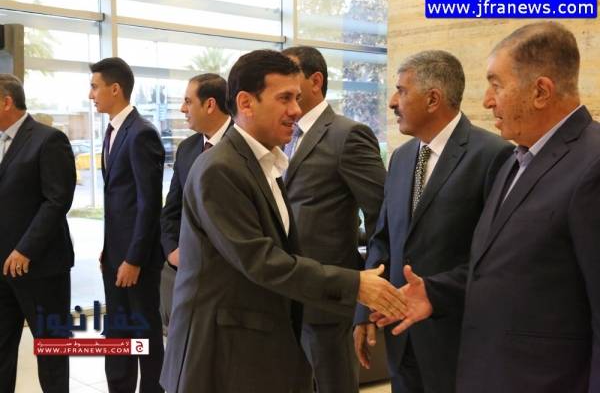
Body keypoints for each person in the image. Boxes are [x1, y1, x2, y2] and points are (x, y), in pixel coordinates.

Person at [160, 49, 403, 393]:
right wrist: (355, 284)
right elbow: (260, 260)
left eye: (297, 98)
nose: (296, 110)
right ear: (246, 103)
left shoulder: (263, 162)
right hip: (222, 355)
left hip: (260, 343)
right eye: (285, 98)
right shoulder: (220, 168)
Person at [375, 22, 600, 393]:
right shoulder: (516, 161)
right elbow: (499, 270)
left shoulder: (592, 164)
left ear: (540, 91)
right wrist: (434, 292)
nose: (487, 101)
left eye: (496, 85)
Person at [353, 50, 512, 393]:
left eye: (401, 91)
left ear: (433, 99)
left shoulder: (493, 155)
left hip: (456, 342)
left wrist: (435, 294)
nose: (392, 102)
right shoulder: (400, 157)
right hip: (400, 339)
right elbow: (384, 239)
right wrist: (365, 309)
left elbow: (495, 258)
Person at [281, 45, 386, 393]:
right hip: (285, 293)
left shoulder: (348, 135)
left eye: (289, 75)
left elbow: (381, 217)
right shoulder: (280, 136)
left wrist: (367, 298)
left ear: (315, 81)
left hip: (329, 300)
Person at [89, 57, 165, 393]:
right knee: (117, 331)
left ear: (115, 89)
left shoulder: (141, 133)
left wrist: (133, 258)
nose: (91, 95)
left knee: (143, 333)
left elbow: (149, 204)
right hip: (115, 256)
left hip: (137, 261)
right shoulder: (113, 132)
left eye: (95, 87)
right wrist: (110, 251)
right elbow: (119, 202)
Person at [0, 74, 76, 392]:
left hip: (41, 268)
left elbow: (57, 200)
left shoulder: (48, 140)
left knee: (51, 352)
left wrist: (25, 249)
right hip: (2, 268)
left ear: (6, 102)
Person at [159, 73, 231, 328]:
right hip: (187, 273)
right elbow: (171, 209)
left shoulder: (244, 144)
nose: (182, 108)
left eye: (188, 101)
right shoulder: (187, 148)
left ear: (210, 105)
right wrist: (172, 251)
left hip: (230, 279)